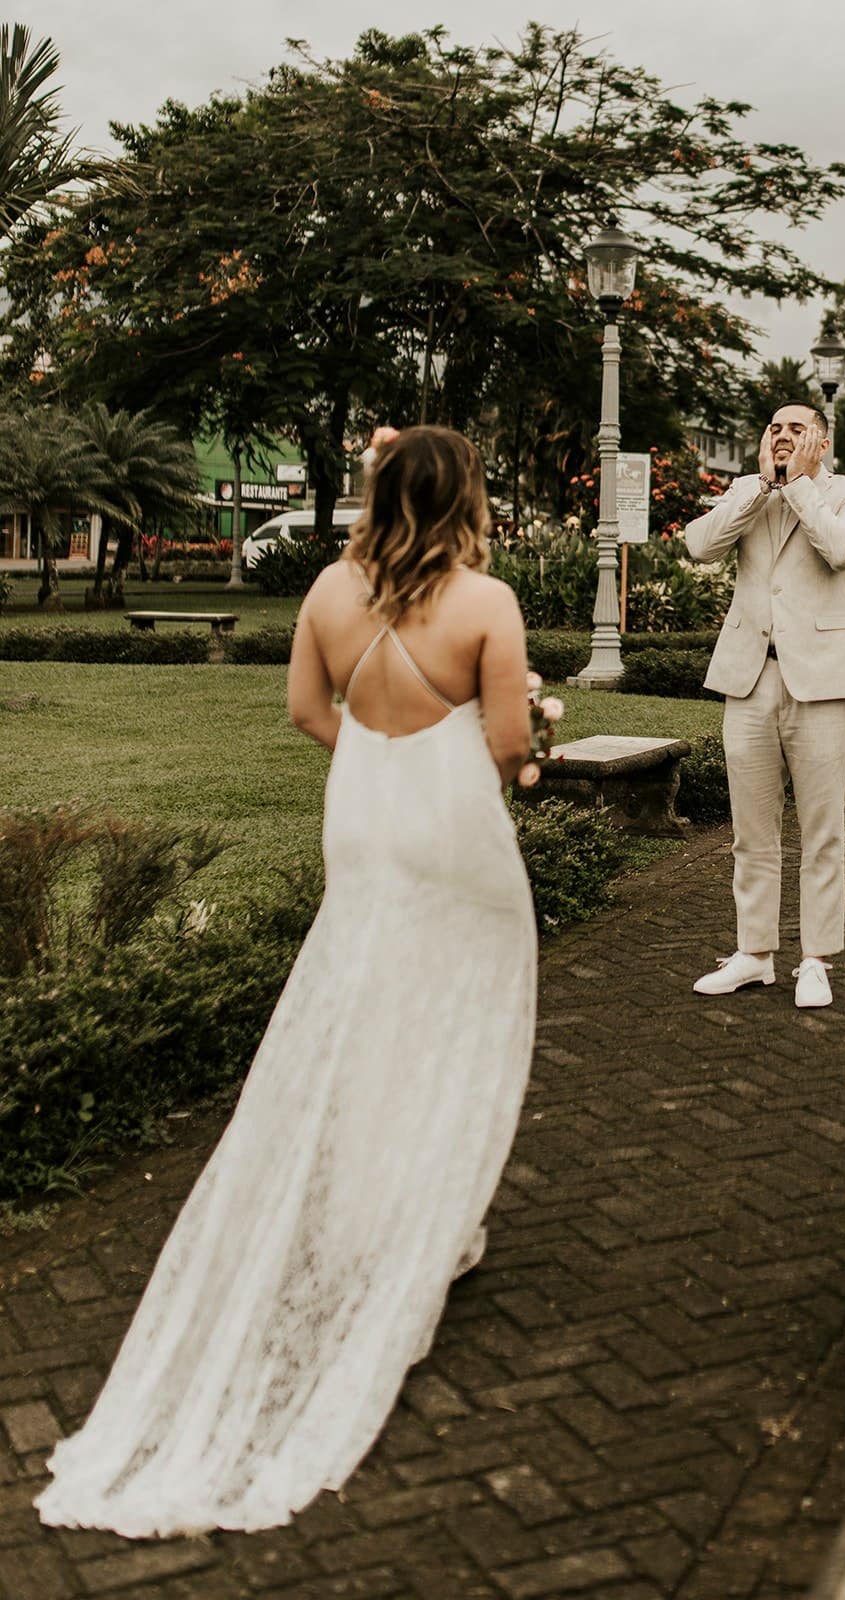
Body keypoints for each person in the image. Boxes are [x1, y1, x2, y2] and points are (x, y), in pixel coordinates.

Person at [36, 426, 539, 1538]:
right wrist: (526, 734)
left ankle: (379, 1211)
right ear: (463, 497)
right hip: (454, 840)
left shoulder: (323, 589)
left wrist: (383, 755)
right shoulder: (485, 605)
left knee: (360, 1011)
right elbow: (509, 746)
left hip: (362, 832)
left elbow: (310, 715)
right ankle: (430, 1221)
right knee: (458, 1016)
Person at [685, 402, 845, 1009]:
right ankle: (754, 954)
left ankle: (816, 959)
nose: (783, 437)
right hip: (749, 679)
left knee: (823, 831)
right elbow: (699, 545)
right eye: (775, 429)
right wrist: (760, 490)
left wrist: (796, 488)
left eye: (796, 430)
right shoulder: (748, 489)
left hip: (822, 683)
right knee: (751, 831)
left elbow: (843, 550)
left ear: (822, 442)